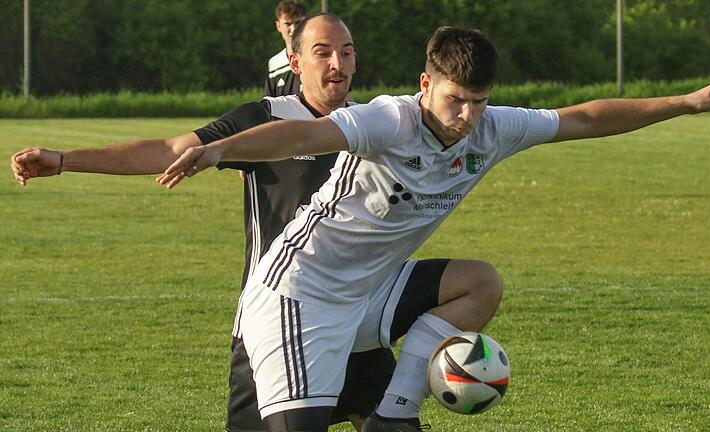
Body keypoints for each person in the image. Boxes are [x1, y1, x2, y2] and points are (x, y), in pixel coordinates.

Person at [157, 26, 710, 432]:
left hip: (369, 293)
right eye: (456, 100)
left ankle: (396, 411)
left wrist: (684, 102)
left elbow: (584, 117)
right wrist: (218, 150)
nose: (467, 117)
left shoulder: (492, 128)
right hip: (297, 296)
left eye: (479, 102)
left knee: (479, 283)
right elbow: (304, 136)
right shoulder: (389, 119)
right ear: (425, 84)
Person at [9, 16, 503, 432]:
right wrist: (65, 159)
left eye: (348, 53)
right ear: (294, 63)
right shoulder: (267, 118)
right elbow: (167, 151)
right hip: (279, 319)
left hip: (357, 311)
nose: (338, 64)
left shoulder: (375, 123)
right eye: (322, 52)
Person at [265, 0, 306, 97]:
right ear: (278, 26)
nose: (293, 29)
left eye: (298, 22)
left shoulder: (316, 57)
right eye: (288, 24)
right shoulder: (274, 64)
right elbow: (269, 104)